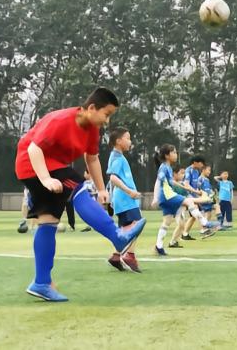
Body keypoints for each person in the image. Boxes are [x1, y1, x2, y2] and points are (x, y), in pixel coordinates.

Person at [15, 87, 147, 302]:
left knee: (48, 221)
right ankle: (117, 237)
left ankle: (41, 283)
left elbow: (92, 159)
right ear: (92, 108)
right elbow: (33, 149)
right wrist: (46, 179)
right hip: (32, 164)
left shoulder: (92, 130)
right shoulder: (60, 120)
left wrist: (102, 189)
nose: (107, 121)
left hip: (52, 167)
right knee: (77, 186)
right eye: (106, 114)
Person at [106, 127, 142, 272]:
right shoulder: (117, 158)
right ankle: (130, 256)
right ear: (118, 141)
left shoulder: (118, 156)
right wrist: (129, 191)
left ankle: (116, 256)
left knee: (126, 229)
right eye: (127, 138)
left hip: (123, 200)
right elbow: (113, 178)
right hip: (125, 200)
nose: (130, 141)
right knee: (136, 225)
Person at [181, 156, 206, 239]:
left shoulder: (196, 171)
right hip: (187, 195)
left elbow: (195, 185)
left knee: (193, 216)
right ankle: (204, 229)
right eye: (201, 163)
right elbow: (186, 185)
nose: (202, 165)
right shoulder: (188, 171)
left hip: (194, 196)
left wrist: (199, 192)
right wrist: (196, 192)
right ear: (195, 162)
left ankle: (185, 234)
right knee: (196, 211)